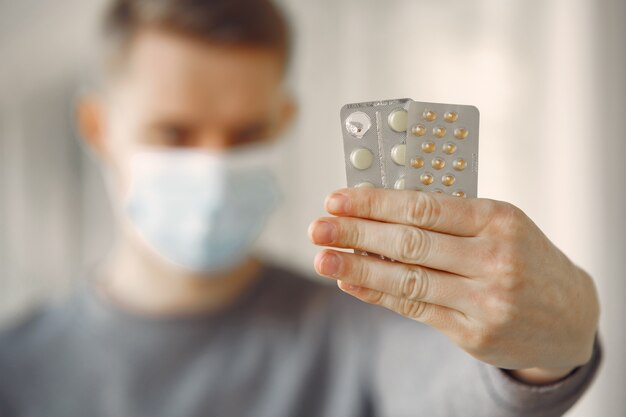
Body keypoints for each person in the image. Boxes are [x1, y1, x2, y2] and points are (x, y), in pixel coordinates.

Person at [0, 0, 602, 416]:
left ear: (282, 122)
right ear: (98, 126)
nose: (212, 170)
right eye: (175, 134)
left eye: (244, 135)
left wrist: (546, 351)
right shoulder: (15, 370)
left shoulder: (355, 332)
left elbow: (451, 389)